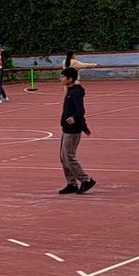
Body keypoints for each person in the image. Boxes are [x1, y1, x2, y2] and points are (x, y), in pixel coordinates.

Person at [58, 67, 96, 195]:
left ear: (70, 79)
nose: (61, 79)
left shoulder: (76, 92)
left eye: (63, 77)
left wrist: (75, 119)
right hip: (66, 128)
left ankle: (86, 180)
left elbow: (80, 110)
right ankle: (71, 183)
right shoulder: (70, 90)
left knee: (68, 156)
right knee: (63, 157)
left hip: (72, 130)